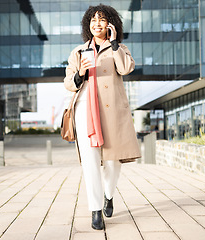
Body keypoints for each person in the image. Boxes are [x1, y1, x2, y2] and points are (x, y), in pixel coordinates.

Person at [64, 4, 141, 230]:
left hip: (112, 112)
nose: (97, 24)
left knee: (112, 161)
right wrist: (80, 74)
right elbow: (68, 82)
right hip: (85, 110)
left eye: (102, 19)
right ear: (88, 25)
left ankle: (109, 194)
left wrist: (114, 44)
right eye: (93, 20)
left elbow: (127, 68)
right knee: (90, 163)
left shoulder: (119, 48)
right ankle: (95, 211)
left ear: (110, 24)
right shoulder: (78, 51)